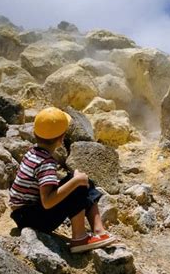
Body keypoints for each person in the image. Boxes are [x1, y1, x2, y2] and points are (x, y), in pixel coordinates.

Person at [9, 107, 115, 253]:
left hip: (24, 214)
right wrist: (75, 182)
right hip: (31, 219)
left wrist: (76, 179)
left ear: (35, 133)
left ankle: (99, 231)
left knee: (83, 181)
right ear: (61, 138)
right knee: (77, 185)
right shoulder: (45, 163)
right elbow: (47, 202)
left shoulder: (33, 153)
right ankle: (79, 238)